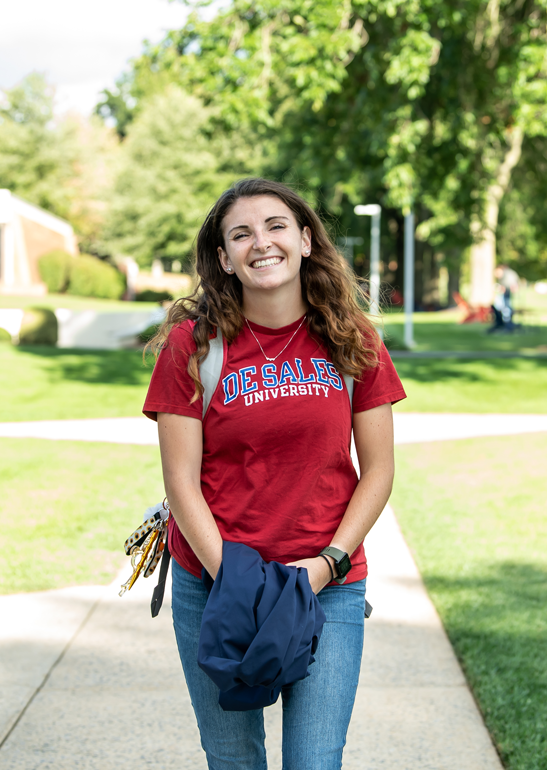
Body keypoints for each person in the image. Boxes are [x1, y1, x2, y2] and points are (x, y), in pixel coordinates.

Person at [143, 178, 406, 770]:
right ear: (224, 258)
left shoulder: (352, 340)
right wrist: (237, 581)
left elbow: (380, 470)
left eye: (276, 226)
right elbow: (180, 482)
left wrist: (327, 564)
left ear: (307, 240)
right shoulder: (193, 346)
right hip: (215, 584)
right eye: (241, 234)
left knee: (315, 761)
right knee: (233, 761)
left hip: (326, 581)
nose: (261, 243)